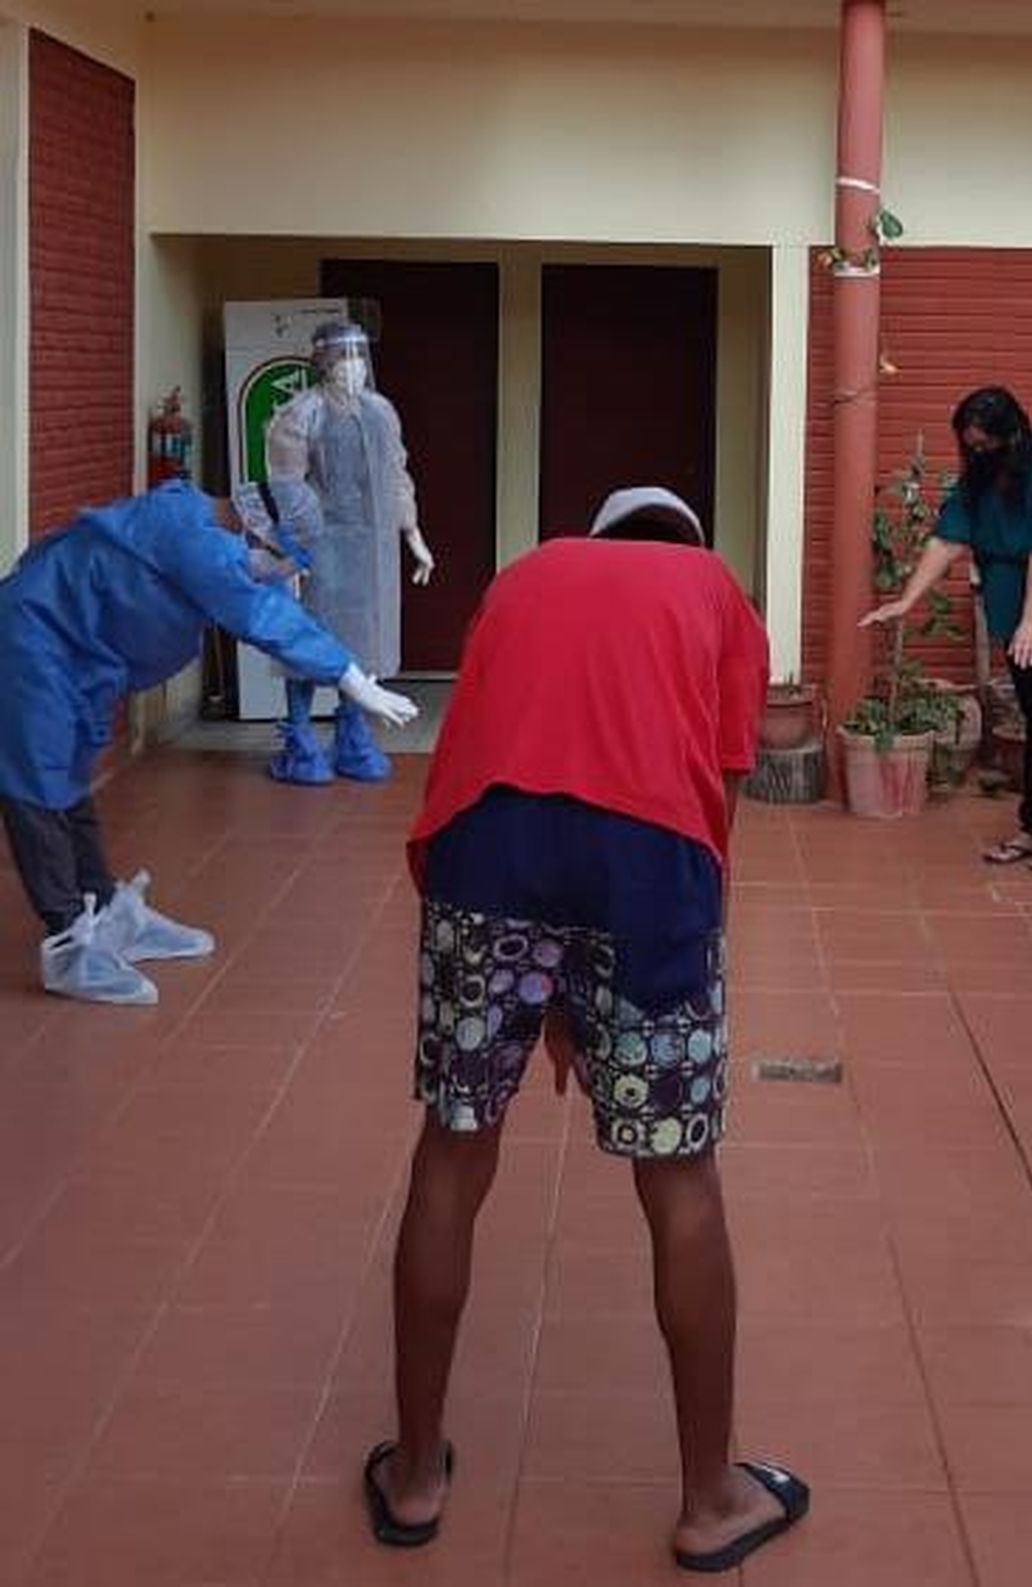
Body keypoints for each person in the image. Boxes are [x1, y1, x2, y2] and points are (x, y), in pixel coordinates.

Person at [369, 486, 808, 1573]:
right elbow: (722, 790)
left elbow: (476, 728)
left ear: (600, 538)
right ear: (688, 543)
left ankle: (417, 1476)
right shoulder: (716, 592)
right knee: (680, 1178)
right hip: (647, 867)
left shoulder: (523, 575)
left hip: (487, 852)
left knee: (454, 1149)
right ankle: (710, 1501)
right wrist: (639, 966)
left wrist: (550, 985)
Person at [0, 479, 420, 1007]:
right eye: (286, 558)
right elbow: (260, 614)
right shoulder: (196, 543)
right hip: (32, 640)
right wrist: (349, 676)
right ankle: (67, 943)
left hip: (77, 654)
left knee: (67, 775)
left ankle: (107, 912)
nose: (284, 572)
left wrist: (343, 665)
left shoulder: (198, 522)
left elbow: (260, 599)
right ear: (255, 529)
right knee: (35, 783)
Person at [862, 386, 1032, 872]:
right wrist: (907, 600)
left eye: (988, 445)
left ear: (1015, 434)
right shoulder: (977, 483)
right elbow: (947, 540)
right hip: (1024, 623)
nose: (979, 454)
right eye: (972, 447)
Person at [264, 319, 435, 785]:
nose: (354, 368)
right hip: (323, 543)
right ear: (324, 364)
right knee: (309, 636)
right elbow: (287, 484)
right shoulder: (303, 414)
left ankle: (353, 734)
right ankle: (301, 739)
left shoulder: (380, 412)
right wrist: (294, 547)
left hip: (373, 544)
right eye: (343, 359)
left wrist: (412, 531)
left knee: (363, 635)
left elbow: (397, 472)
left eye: (360, 357)